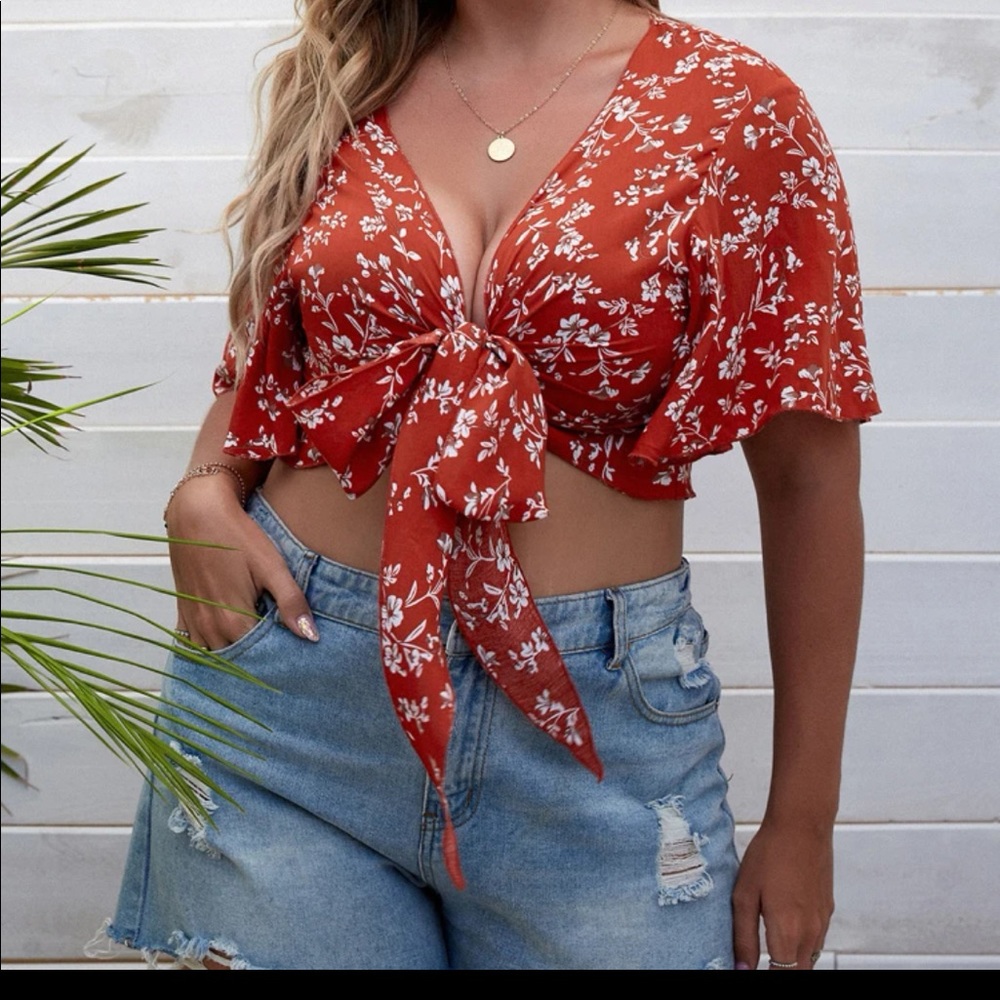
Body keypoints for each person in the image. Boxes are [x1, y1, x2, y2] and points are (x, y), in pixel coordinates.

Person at [103, 0, 880, 970]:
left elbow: (809, 480)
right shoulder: (351, 72)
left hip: (594, 733)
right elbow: (274, 351)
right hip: (293, 700)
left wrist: (804, 819)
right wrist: (204, 487)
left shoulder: (736, 109)